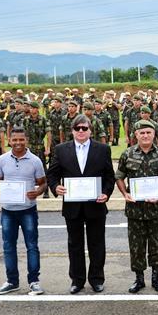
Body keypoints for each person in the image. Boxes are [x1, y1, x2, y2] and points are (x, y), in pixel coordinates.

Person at [47, 114, 116, 294]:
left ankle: (96, 279)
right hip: (72, 206)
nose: (81, 131)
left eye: (84, 128)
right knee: (75, 245)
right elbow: (52, 175)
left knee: (97, 244)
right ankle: (77, 280)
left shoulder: (102, 149)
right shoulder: (61, 150)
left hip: (96, 204)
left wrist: (106, 193)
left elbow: (110, 176)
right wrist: (56, 187)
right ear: (72, 131)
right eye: (77, 128)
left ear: (90, 130)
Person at [115, 120, 158, 293]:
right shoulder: (127, 154)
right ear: (135, 135)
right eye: (141, 133)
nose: (145, 136)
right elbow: (119, 176)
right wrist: (124, 194)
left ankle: (156, 278)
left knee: (157, 245)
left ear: (153, 135)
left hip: (156, 210)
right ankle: (139, 279)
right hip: (135, 211)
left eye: (148, 133)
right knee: (136, 246)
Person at [0, 127, 48, 295]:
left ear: (26, 140)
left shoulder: (35, 160)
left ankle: (34, 281)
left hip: (28, 209)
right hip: (7, 211)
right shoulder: (2, 160)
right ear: (9, 140)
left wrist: (37, 192)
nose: (18, 143)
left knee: (32, 246)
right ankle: (12, 281)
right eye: (15, 140)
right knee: (8, 246)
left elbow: (43, 183)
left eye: (21, 139)